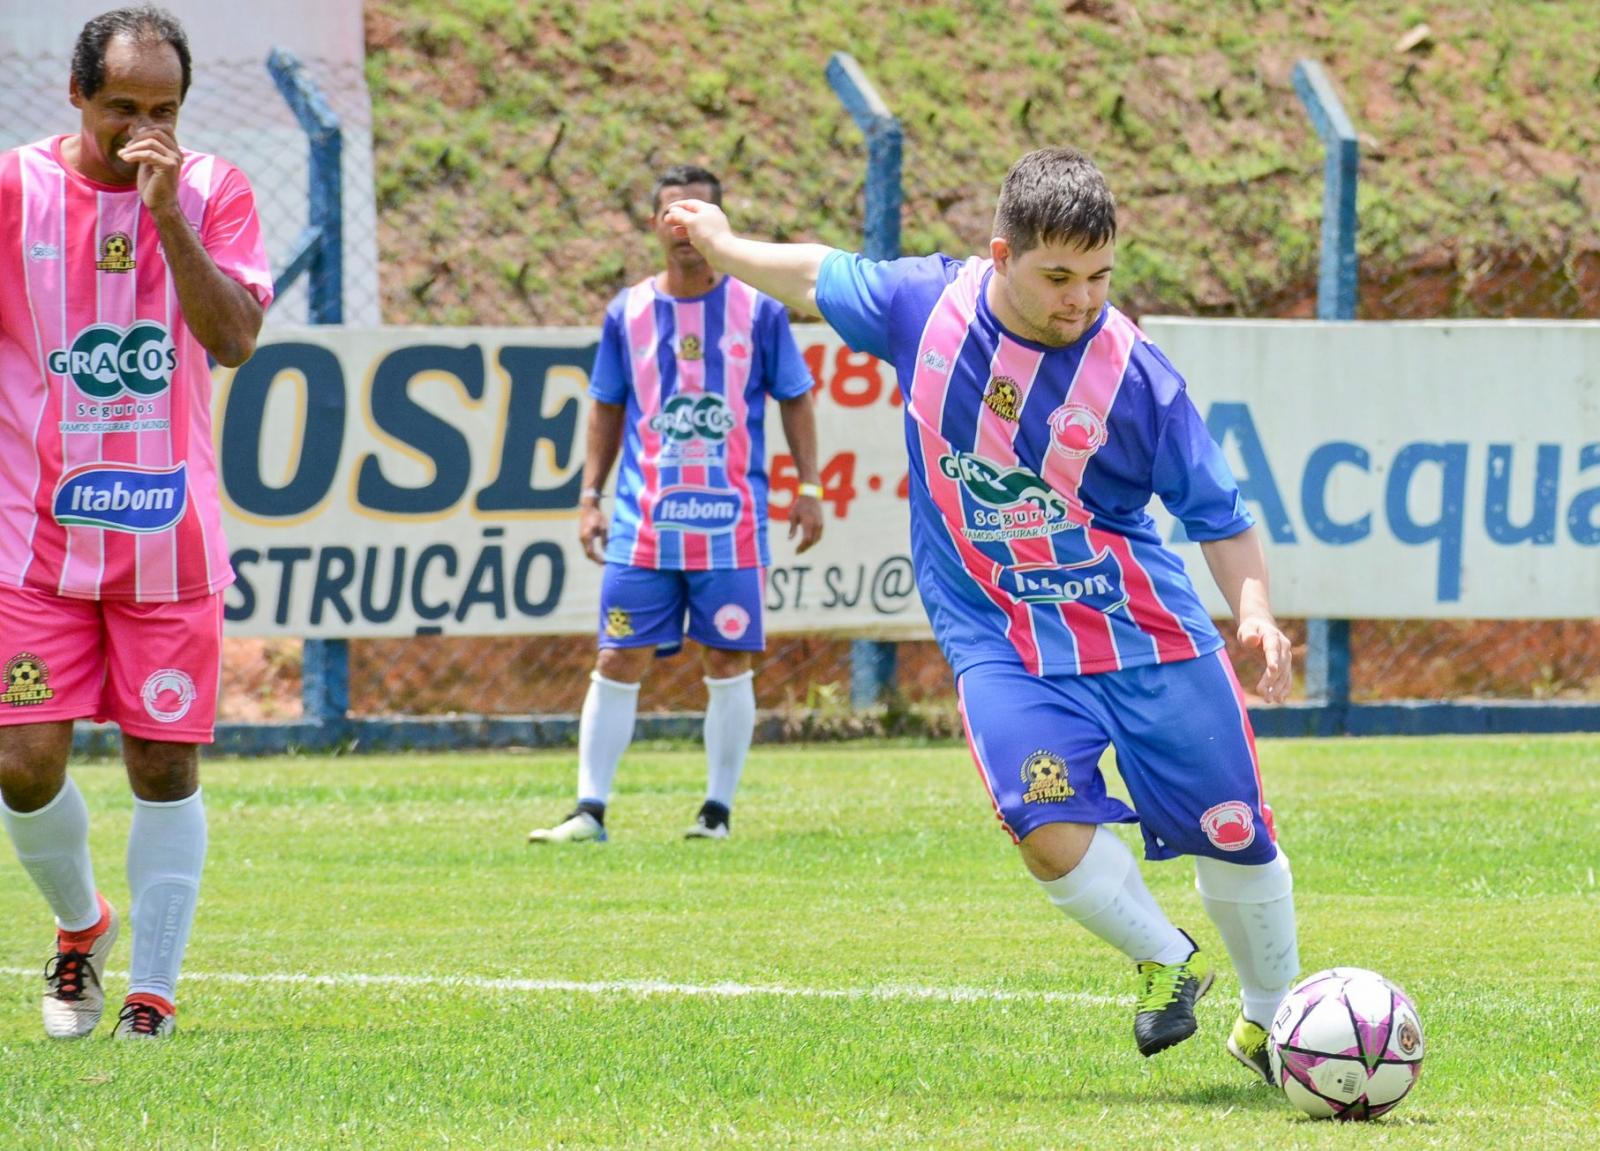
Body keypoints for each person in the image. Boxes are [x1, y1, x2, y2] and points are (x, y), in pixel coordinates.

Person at [663, 148, 1298, 1079]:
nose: (1082, 298)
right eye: (1058, 276)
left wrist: (1255, 611)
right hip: (1001, 637)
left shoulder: (1135, 377)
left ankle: (1275, 1020)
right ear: (1001, 254)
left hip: (1143, 631)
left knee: (1234, 829)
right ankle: (1165, 959)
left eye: (1100, 276)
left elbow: (1220, 513)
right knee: (1041, 822)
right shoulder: (926, 309)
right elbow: (810, 270)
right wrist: (719, 239)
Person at [0, 5, 271, 1041]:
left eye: (164, 110)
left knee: (163, 763)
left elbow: (235, 338)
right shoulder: (15, 188)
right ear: (76, 95)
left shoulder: (213, 191)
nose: (143, 129)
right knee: (22, 766)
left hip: (169, 542)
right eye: (123, 108)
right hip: (30, 544)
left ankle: (152, 993)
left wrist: (167, 218)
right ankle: (81, 927)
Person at [528, 164, 824, 845]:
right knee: (617, 655)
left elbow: (796, 397)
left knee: (727, 659)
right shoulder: (627, 312)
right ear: (654, 224)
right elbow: (606, 405)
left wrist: (808, 489)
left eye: (696, 215)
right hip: (644, 524)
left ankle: (716, 812)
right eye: (670, 214)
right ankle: (588, 810)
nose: (682, 228)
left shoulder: (759, 310)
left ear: (719, 225)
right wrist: (589, 497)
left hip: (731, 527)